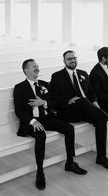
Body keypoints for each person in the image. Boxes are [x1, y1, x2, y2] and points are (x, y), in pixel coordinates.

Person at [14, 59, 86, 190]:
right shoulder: (19, 88)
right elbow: (19, 110)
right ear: (26, 70)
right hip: (31, 122)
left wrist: (44, 103)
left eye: (37, 65)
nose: (37, 68)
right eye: (33, 66)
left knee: (69, 128)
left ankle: (70, 162)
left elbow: (55, 102)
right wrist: (33, 121)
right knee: (41, 136)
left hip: (46, 118)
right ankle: (40, 171)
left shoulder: (44, 84)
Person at [49, 50, 108, 171]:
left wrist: (95, 102)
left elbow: (91, 92)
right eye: (69, 59)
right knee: (81, 100)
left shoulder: (83, 73)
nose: (72, 60)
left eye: (74, 58)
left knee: (101, 120)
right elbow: (53, 97)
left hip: (86, 110)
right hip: (68, 112)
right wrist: (67, 100)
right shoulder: (57, 76)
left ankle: (101, 157)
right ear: (64, 61)